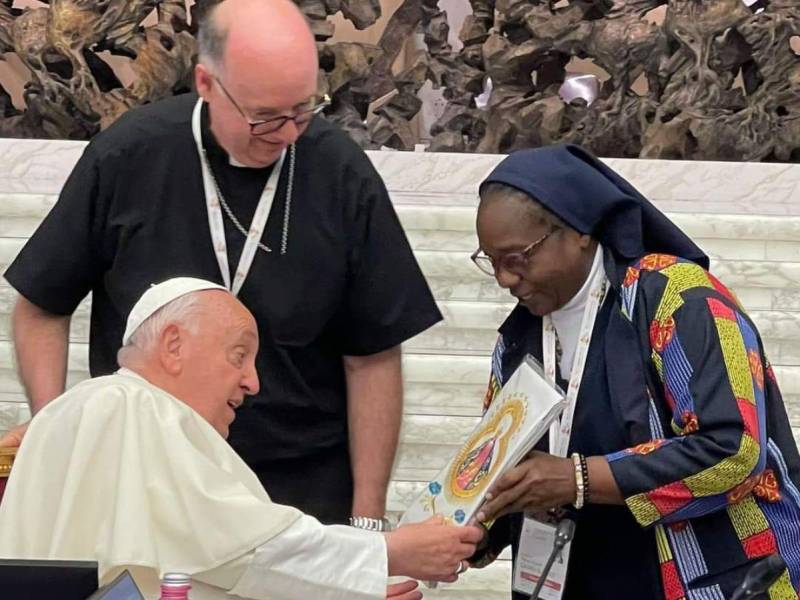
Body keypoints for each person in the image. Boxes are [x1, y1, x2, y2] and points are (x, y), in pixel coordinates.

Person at [1, 0, 442, 527]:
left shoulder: (339, 171)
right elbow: (40, 305)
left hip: (298, 493)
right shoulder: (130, 154)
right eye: (265, 118)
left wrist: (367, 522)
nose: (287, 134)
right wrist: (56, 428)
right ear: (207, 84)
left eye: (303, 109)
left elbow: (372, 355)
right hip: (142, 484)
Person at [0, 278, 481, 600]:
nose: (253, 382)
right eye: (239, 355)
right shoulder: (133, 407)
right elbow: (239, 548)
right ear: (173, 345)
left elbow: (206, 566)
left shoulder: (75, 411)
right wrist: (387, 551)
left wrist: (352, 586)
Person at [465, 145, 800, 599]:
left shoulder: (680, 300)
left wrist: (577, 479)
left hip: (709, 578)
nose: (505, 279)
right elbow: (511, 468)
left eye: (518, 258)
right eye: (491, 262)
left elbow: (734, 451)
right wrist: (471, 529)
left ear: (579, 231)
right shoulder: (517, 339)